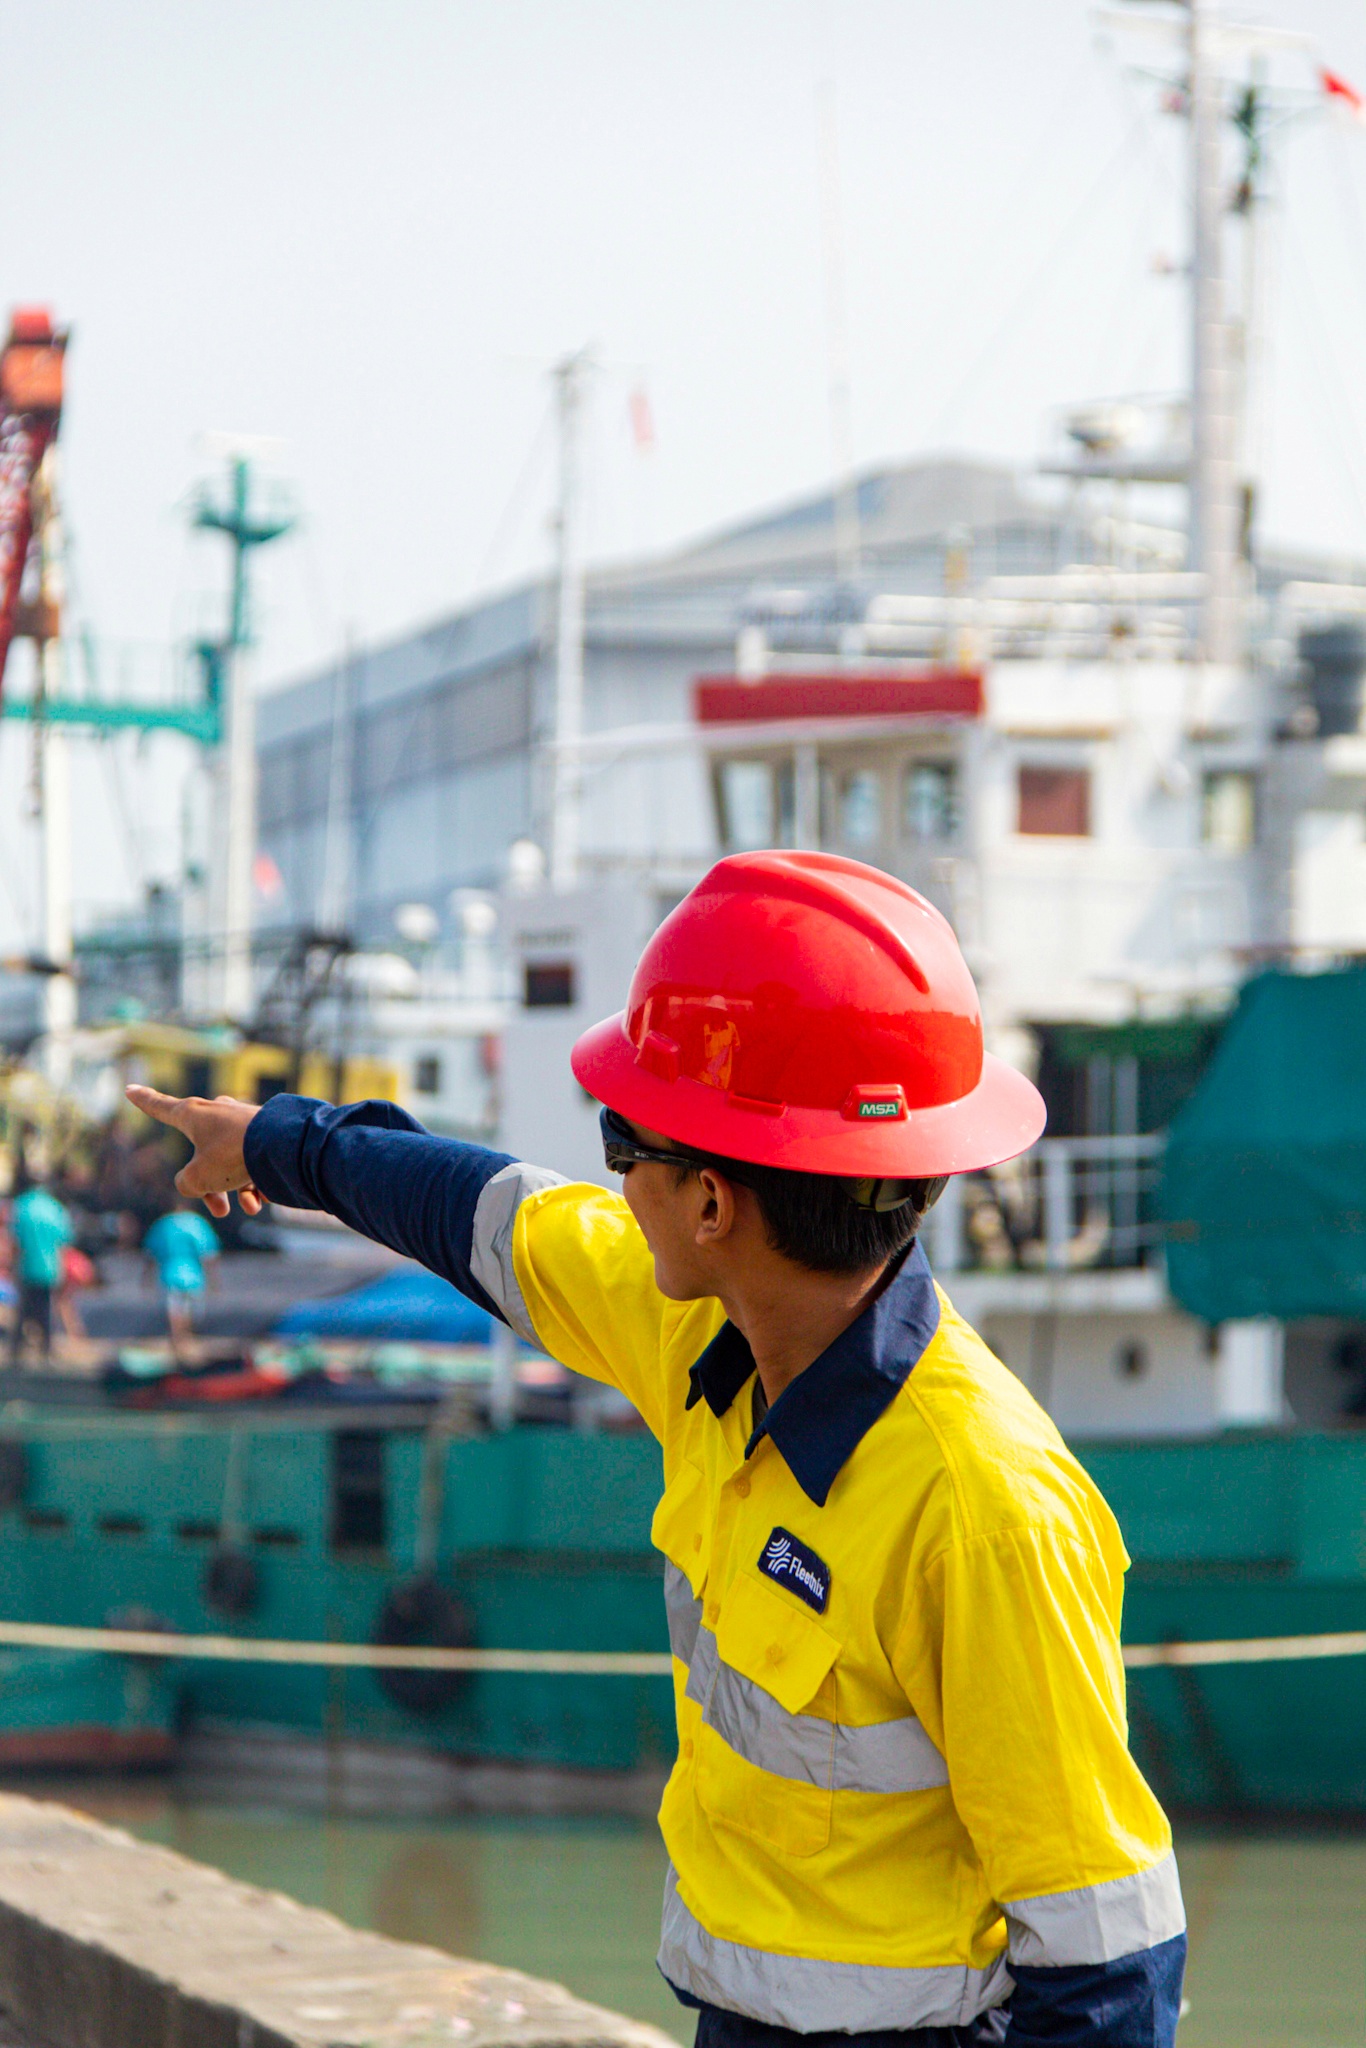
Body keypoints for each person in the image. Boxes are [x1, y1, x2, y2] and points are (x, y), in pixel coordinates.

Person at [127, 851, 1185, 2048]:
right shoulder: (702, 1330)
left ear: (712, 1204)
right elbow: (484, 1213)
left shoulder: (983, 1503)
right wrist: (279, 1143)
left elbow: (1107, 1955)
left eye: (623, 1141)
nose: (613, 1182)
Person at [7, 1177, 75, 1369]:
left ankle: (17, 1349)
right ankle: (46, 1349)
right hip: (49, 1267)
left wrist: (13, 1266)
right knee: (46, 1309)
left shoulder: (22, 1206)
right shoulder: (55, 1208)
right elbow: (64, 1241)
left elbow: (15, 1239)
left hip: (27, 1266)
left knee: (23, 1309)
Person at [142, 1198, 221, 1361]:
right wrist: (214, 1279)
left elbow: (151, 1254)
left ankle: (178, 1341)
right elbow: (208, 1254)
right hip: (193, 1274)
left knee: (174, 1309)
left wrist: (146, 1277)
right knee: (190, 1310)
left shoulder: (163, 1224)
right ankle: (185, 1340)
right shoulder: (197, 1223)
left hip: (169, 1272)